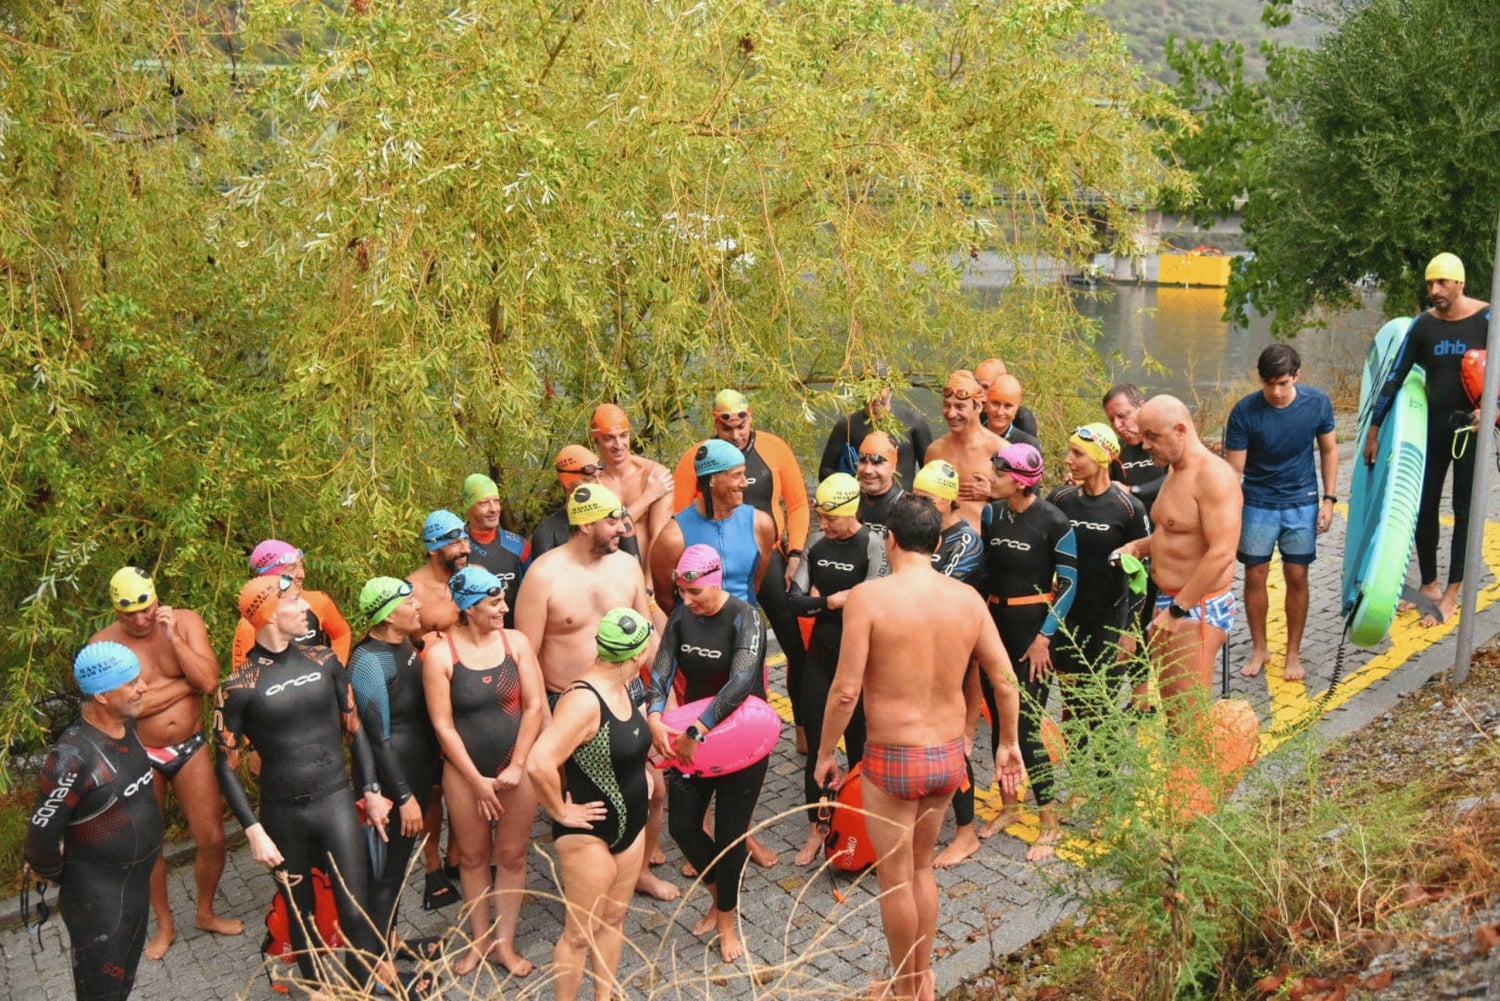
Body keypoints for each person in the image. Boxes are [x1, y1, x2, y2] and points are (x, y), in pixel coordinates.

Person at [814, 495, 1025, 1001]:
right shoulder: (967, 600)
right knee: (922, 867)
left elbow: (845, 690)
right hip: (947, 756)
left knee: (894, 878)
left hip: (892, 756)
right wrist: (1008, 743)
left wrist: (825, 754)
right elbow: (1005, 679)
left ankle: (905, 988)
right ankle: (922, 977)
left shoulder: (869, 597)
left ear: (889, 539)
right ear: (936, 543)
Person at [215, 574, 397, 994]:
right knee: (302, 915)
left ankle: (365, 990)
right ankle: (318, 992)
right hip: (282, 816)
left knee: (356, 910)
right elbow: (224, 765)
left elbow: (356, 730)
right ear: (269, 615)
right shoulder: (239, 687)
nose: (305, 609)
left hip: (335, 800)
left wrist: (369, 791)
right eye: (295, 601)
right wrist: (253, 830)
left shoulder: (323, 661)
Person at [513, 482, 677, 902]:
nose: (623, 527)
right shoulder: (543, 575)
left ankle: (636, 871)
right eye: (613, 520)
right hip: (568, 702)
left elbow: (649, 639)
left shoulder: (624, 566)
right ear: (585, 525)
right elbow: (524, 655)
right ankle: (588, 883)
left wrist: (664, 699)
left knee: (654, 790)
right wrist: (547, 719)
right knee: (583, 798)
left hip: (626, 695)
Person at [90, 567, 240, 960]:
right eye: (129, 615)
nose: (140, 620)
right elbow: (122, 709)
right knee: (148, 847)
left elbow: (208, 681)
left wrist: (173, 639)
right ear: (114, 612)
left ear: (157, 598)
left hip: (189, 747)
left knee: (212, 838)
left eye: (146, 609)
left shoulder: (185, 622)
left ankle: (205, 912)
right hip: (140, 753)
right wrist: (182, 685)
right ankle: (165, 924)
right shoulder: (104, 645)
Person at [648, 545, 771, 964]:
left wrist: (697, 729)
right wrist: (653, 713)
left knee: (730, 835)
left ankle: (727, 922)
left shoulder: (745, 617)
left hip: (740, 733)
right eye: (681, 593)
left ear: (715, 582)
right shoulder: (683, 617)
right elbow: (662, 668)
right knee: (682, 827)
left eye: (694, 593)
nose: (686, 601)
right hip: (694, 733)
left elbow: (740, 681)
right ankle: (719, 893)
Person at [527, 608, 655, 1001]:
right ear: (634, 654)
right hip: (589, 835)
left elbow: (624, 746)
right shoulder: (584, 700)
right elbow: (539, 762)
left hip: (631, 825)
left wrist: (643, 776)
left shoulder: (623, 685)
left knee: (613, 920)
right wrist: (561, 811)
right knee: (579, 934)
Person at [422, 566, 544, 978]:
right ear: (469, 608)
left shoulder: (517, 643)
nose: (504, 608)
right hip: (465, 775)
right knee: (473, 858)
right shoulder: (441, 655)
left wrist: (518, 765)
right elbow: (443, 725)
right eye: (494, 603)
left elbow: (533, 706)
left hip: (516, 769)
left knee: (511, 856)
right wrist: (477, 781)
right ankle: (478, 940)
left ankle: (504, 944)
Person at [671, 389, 809, 751]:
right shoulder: (697, 458)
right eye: (725, 424)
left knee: (795, 648)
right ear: (714, 421)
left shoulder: (774, 448)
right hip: (714, 567)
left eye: (741, 422)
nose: (735, 432)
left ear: (751, 415)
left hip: (766, 555)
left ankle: (803, 726)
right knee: (714, 649)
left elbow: (796, 503)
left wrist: (795, 551)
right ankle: (705, 728)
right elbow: (679, 511)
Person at [25, 642, 162, 1001]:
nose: (143, 687)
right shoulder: (71, 757)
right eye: (131, 683)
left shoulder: (125, 725)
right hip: (98, 900)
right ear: (101, 695)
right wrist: (54, 873)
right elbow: (40, 836)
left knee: (122, 986)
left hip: (134, 886)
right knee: (100, 994)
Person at [1364, 251, 1490, 627]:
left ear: (1460, 283)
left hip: (1470, 431)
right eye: (1430, 284)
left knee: (1464, 510)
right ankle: (1430, 584)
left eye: (1442, 283)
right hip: (1431, 430)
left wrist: (1491, 408)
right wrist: (1373, 429)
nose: (1435, 290)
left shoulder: (1488, 318)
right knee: (1424, 505)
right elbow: (1395, 377)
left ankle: (1454, 589)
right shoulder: (1423, 326)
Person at [1113, 396, 1242, 734]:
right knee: (1174, 718)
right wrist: (1139, 547)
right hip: (1169, 600)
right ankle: (1180, 784)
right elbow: (1174, 531)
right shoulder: (1174, 469)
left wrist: (1177, 611)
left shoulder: (1214, 477)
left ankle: (1197, 786)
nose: (1144, 444)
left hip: (1194, 606)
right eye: (1144, 436)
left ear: (1180, 430)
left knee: (1188, 722)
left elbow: (1222, 552)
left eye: (1152, 436)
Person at [979, 443, 1078, 859]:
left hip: (1032, 635)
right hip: (995, 627)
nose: (991, 477)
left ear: (1018, 479)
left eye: (998, 472)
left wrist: (1045, 637)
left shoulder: (1054, 522)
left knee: (1027, 729)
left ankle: (1050, 822)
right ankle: (1011, 806)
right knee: (1001, 723)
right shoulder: (992, 513)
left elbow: (1070, 584)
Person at [787, 473, 886, 865]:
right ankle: (818, 829)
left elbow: (876, 600)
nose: (823, 525)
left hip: (862, 664)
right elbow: (794, 599)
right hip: (823, 659)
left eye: (830, 518)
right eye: (820, 517)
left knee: (861, 748)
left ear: (851, 511)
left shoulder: (874, 545)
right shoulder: (816, 544)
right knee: (817, 747)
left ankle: (863, 828)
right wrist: (831, 602)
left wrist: (831, 599)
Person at [347, 576, 446, 966]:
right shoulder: (369, 662)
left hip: (417, 772)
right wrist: (402, 797)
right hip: (393, 783)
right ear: (388, 617)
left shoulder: (403, 643)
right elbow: (377, 739)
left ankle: (390, 942)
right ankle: (375, 969)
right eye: (410, 603)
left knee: (399, 868)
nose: (418, 606)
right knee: (385, 875)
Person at [1225, 345, 1338, 680]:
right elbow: (1234, 472)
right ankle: (1260, 647)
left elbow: (1330, 450)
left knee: (1297, 575)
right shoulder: (1244, 412)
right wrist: (1226, 515)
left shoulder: (1317, 403)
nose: (1275, 391)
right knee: (1255, 575)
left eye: (1283, 383)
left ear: (1297, 376)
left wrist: (1329, 500)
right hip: (1258, 501)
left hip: (1301, 500)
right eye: (1268, 383)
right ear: (1260, 379)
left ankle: (1293, 652)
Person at [908, 461, 989, 869]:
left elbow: (932, 591)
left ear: (952, 499)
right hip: (927, 647)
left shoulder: (964, 542)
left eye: (931, 499)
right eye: (918, 497)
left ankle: (966, 832)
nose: (924, 505)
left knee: (951, 739)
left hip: (954, 651)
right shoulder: (930, 533)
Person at [231, 540, 352, 666]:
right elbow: (242, 677)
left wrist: (336, 674)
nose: (302, 575)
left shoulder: (318, 601)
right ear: (271, 576)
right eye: (292, 568)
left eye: (301, 566)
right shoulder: (250, 624)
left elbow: (342, 634)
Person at [592, 404, 676, 565]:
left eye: (623, 435)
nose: (618, 445)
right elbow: (599, 537)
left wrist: (650, 586)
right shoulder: (594, 482)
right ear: (597, 441)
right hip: (607, 572)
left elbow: (659, 538)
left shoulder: (655, 475)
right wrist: (647, 497)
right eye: (609, 438)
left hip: (647, 571)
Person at [818, 368, 933, 486]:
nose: (874, 394)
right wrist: (850, 485)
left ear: (891, 387)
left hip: (903, 501)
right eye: (868, 387)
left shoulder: (913, 422)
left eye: (880, 386)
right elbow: (825, 472)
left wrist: (918, 502)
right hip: (860, 501)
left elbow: (930, 474)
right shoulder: (846, 425)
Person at [925, 370, 1005, 531]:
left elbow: (1021, 502)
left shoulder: (999, 450)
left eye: (960, 406)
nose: (951, 413)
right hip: (940, 544)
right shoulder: (935, 450)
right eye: (947, 405)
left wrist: (994, 492)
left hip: (982, 546)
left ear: (979, 406)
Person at [531, 446, 642, 562]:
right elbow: (544, 576)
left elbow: (634, 567)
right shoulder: (547, 531)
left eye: (600, 477)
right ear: (566, 481)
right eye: (590, 479)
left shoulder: (619, 516)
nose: (599, 485)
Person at [461, 474, 529, 625]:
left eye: (496, 501)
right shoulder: (457, 549)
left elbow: (535, 596)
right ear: (468, 505)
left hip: (514, 637)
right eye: (484, 503)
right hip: (472, 639)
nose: (493, 509)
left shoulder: (518, 545)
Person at [1103, 384, 1166, 512]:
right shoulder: (1115, 451)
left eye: (1122, 416)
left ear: (1142, 407)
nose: (1117, 425)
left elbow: (1181, 479)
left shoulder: (1167, 441)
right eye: (1111, 420)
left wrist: (1133, 491)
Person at [409, 509, 470, 638]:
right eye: (455, 543)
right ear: (433, 550)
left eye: (466, 540)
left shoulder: (478, 577)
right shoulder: (413, 592)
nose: (466, 549)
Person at [854, 431, 906, 543]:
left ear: (893, 466)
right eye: (862, 461)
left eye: (876, 463)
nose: (867, 470)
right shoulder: (848, 501)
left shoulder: (908, 508)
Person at [974, 358, 1040, 438]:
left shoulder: (1022, 419)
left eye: (986, 388)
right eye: (978, 387)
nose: (981, 394)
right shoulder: (972, 410)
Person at [984, 374, 1042, 451]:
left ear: (1016, 410)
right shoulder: (971, 436)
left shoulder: (1028, 445)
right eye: (995, 403)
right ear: (986, 404)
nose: (1000, 412)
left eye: (1007, 406)